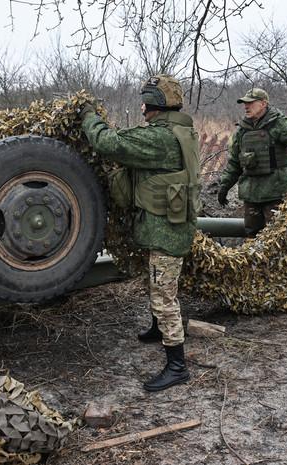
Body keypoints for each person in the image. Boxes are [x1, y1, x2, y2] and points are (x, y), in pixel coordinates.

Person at [80, 75, 201, 392]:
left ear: (158, 104)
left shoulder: (161, 138)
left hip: (166, 232)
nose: (142, 106)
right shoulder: (179, 130)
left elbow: (111, 143)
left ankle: (177, 366)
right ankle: (155, 329)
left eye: (146, 100)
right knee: (157, 283)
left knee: (164, 297)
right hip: (166, 225)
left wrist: (89, 116)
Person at [217, 88, 287, 237]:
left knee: (277, 238)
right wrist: (224, 186)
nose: (246, 106)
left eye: (250, 103)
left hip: (275, 195)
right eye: (244, 103)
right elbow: (235, 163)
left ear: (263, 104)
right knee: (253, 238)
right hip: (251, 196)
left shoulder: (279, 124)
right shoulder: (242, 131)